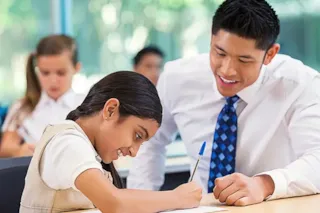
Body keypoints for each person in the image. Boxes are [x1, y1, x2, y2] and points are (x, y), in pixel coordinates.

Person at [127, 0, 320, 206]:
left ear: (270, 54)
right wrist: (137, 203)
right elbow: (151, 144)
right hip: (201, 207)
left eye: (244, 60)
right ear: (211, 39)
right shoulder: (176, 78)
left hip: (269, 206)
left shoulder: (301, 84)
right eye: (220, 53)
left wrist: (263, 184)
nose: (227, 70)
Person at [19, 71, 202, 213]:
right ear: (110, 110)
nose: (134, 152)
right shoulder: (67, 143)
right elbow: (114, 203)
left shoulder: (91, 152)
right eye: (137, 136)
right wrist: (177, 197)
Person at [0, 35, 84, 157]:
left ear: (76, 68)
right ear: (37, 69)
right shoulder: (22, 107)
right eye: (45, 73)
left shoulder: (88, 104)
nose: (53, 81)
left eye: (61, 73)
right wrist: (20, 151)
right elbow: (5, 149)